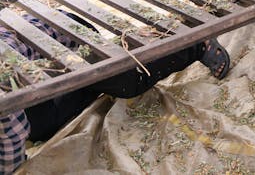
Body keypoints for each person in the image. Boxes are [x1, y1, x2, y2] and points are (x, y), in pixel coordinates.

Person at [0, 13, 231, 174]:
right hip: (41, 64)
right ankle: (94, 84)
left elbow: (12, 134)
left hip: (70, 38)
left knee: (129, 84)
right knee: (42, 125)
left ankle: (194, 44)